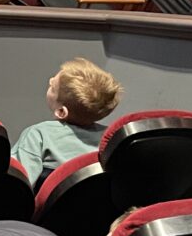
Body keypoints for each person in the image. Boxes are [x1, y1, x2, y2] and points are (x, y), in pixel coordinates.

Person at [11, 58, 122, 186]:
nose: (50, 80)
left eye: (53, 87)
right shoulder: (112, 140)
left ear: (61, 112)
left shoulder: (37, 135)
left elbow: (18, 184)